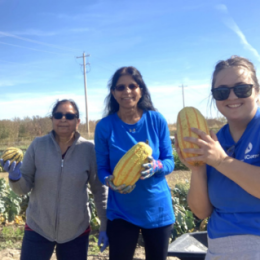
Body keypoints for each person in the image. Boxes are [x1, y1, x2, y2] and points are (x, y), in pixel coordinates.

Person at [0, 99, 108, 260]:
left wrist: (104, 227)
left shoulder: (89, 150)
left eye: (69, 116)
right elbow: (23, 189)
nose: (63, 119)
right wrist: (15, 179)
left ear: (78, 121)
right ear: (52, 120)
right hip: (38, 228)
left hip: (76, 232)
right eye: (58, 115)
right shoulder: (37, 146)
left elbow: (100, 191)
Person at [175, 56, 260, 259]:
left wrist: (221, 161)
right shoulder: (214, 140)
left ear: (257, 91)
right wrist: (197, 169)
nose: (231, 97)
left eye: (241, 89)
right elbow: (201, 212)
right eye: (221, 92)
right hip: (218, 248)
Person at [94, 66, 175, 260]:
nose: (127, 91)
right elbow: (102, 168)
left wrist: (157, 167)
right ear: (113, 92)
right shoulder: (105, 126)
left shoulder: (156, 120)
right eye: (120, 87)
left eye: (132, 85)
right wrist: (108, 180)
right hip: (121, 212)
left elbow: (169, 161)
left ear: (141, 90)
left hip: (157, 209)